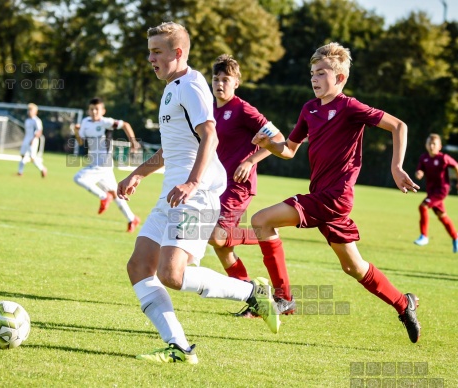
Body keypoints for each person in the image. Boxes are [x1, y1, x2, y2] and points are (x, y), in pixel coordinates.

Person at [117, 22, 279, 365]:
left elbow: (211, 137)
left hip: (199, 193)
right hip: (173, 194)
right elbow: (169, 150)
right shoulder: (170, 89)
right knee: (138, 266)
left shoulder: (191, 86)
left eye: (157, 51)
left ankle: (252, 292)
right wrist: (137, 174)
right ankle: (179, 347)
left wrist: (191, 183)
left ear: (178, 53)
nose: (150, 58)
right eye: (149, 51)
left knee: (171, 275)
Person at [251, 42, 422, 343]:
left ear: (340, 78)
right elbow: (289, 150)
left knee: (262, 220)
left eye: (321, 73)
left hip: (335, 198)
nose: (314, 78)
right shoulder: (309, 109)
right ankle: (403, 303)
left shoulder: (350, 107)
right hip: (322, 196)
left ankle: (283, 297)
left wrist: (396, 167)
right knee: (353, 267)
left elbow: (399, 125)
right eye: (312, 73)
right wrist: (268, 146)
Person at [208, 54, 290, 318]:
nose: (220, 84)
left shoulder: (243, 109)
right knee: (221, 247)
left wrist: (251, 159)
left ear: (236, 83)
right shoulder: (210, 110)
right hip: (216, 185)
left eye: (226, 79)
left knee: (216, 237)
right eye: (216, 79)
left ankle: (266, 233)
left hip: (238, 186)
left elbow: (279, 138)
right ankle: (254, 297)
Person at [73, 97, 141, 233]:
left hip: (103, 163)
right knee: (116, 194)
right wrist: (76, 131)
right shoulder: (85, 122)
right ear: (88, 110)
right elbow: (81, 142)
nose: (94, 112)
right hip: (96, 163)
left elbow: (126, 125)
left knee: (78, 178)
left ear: (103, 111)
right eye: (92, 109)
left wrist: (133, 142)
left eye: (97, 109)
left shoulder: (106, 122)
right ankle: (132, 218)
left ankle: (103, 197)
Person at [413, 133, 458, 252]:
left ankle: (424, 236)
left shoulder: (443, 158)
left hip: (441, 190)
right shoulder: (424, 158)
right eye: (429, 143)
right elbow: (420, 169)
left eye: (434, 144)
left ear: (440, 146)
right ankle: (456, 237)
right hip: (431, 191)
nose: (431, 146)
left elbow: (456, 165)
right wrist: (419, 173)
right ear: (426, 145)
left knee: (423, 207)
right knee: (442, 216)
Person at [18, 103, 47, 177]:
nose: (29, 112)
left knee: (32, 157)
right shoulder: (27, 120)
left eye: (31, 110)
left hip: (33, 140)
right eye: (29, 110)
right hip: (26, 139)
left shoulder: (36, 120)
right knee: (22, 155)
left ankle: (42, 169)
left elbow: (39, 131)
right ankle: (20, 172)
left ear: (35, 112)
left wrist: (33, 139)